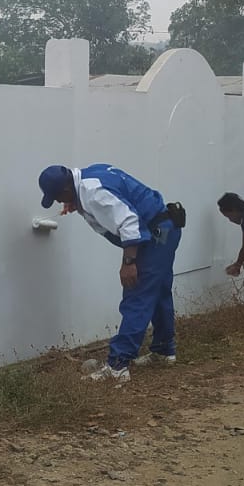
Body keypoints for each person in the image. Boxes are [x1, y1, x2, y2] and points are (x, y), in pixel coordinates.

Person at [38, 164, 184, 384]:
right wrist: (78, 203)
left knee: (137, 294)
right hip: (165, 228)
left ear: (67, 189)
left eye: (59, 197)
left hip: (156, 235)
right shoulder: (89, 177)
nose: (59, 202)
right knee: (158, 291)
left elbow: (129, 221)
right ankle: (164, 350)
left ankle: (118, 365)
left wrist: (129, 263)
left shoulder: (93, 192)